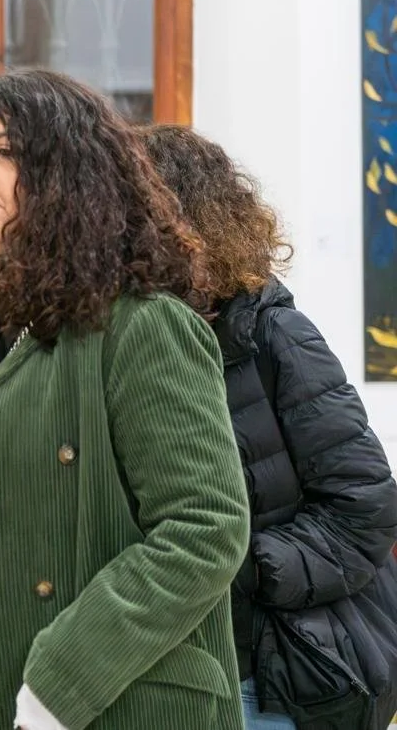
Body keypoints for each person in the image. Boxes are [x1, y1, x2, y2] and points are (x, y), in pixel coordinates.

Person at [0, 68, 249, 729]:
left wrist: (61, 680)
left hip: (110, 699)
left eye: (4, 151)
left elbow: (206, 527)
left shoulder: (144, 323)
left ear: (68, 174)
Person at [143, 124, 397, 729]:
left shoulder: (273, 334)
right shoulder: (122, 342)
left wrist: (236, 568)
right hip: (154, 674)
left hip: (266, 678)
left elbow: (364, 509)